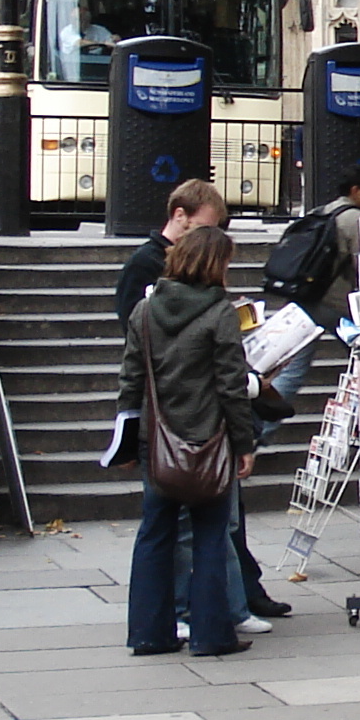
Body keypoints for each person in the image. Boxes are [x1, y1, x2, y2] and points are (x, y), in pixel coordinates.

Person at [116, 181, 290, 624]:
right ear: (180, 216)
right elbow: (219, 380)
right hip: (197, 423)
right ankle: (209, 617)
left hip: (165, 423)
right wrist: (243, 438)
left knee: (181, 528)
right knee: (201, 528)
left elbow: (132, 372)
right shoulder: (189, 301)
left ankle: (173, 620)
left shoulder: (162, 307)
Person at [119, 225, 258, 658]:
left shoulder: (144, 311)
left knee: (154, 535)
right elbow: (231, 386)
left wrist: (128, 440)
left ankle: (148, 632)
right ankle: (211, 633)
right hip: (208, 440)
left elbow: (130, 380)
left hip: (156, 442)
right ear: (215, 266)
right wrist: (244, 443)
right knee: (211, 536)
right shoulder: (219, 313)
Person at [267, 161, 360, 416]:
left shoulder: (322, 212)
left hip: (304, 300)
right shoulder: (356, 220)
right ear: (356, 190)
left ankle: (259, 429)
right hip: (336, 308)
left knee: (292, 372)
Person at [117, 179, 229, 325]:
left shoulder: (198, 261)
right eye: (202, 228)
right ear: (180, 215)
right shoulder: (144, 262)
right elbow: (131, 320)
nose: (207, 238)